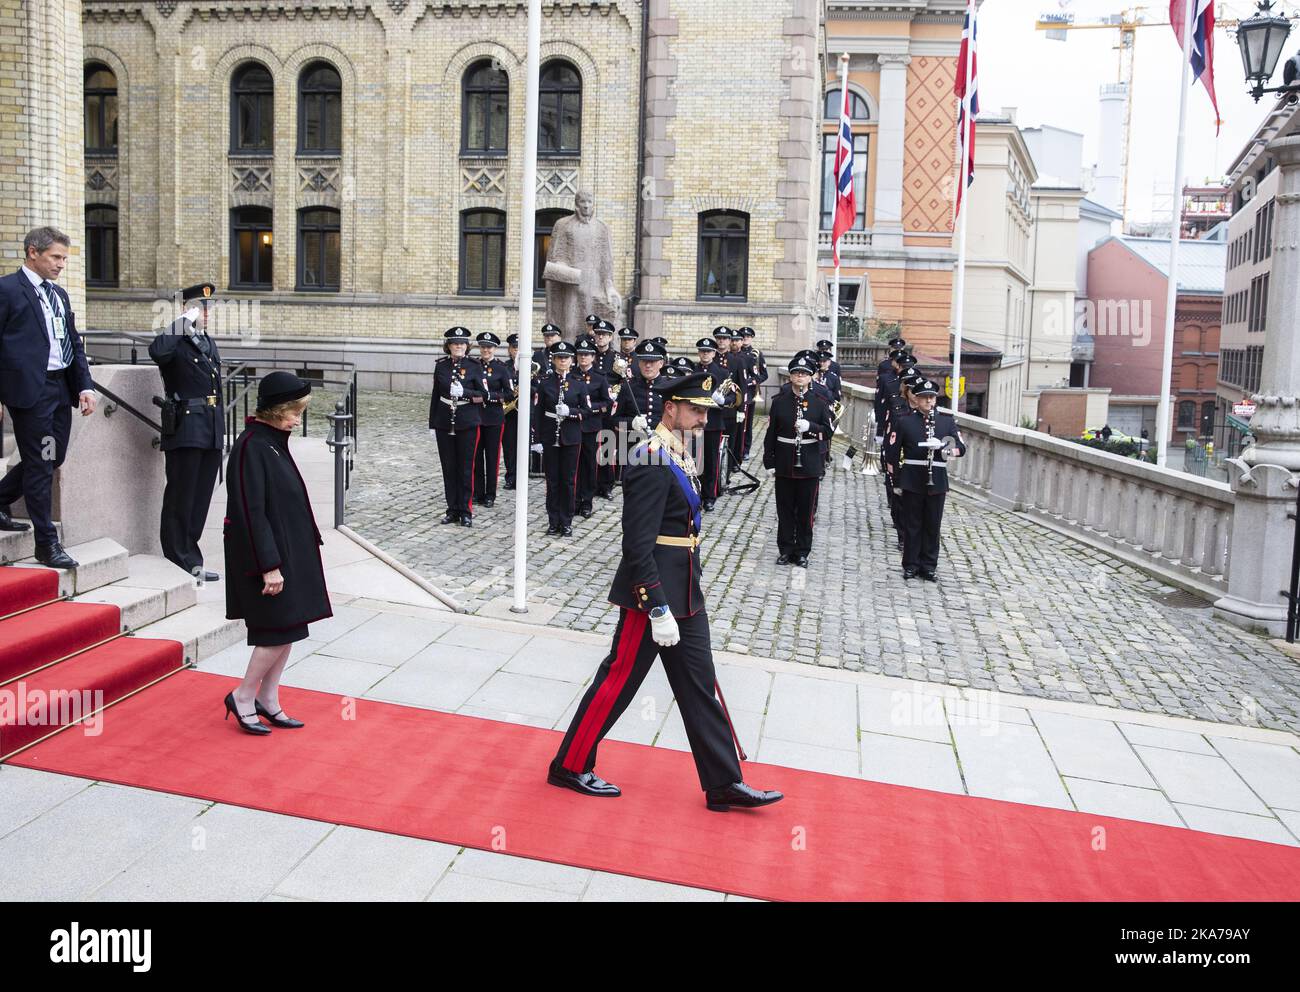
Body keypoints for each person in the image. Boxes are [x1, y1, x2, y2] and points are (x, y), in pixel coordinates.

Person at [548, 371, 783, 812]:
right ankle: (570, 763)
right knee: (618, 681)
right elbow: (636, 545)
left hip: (686, 589)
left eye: (705, 410)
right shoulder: (650, 458)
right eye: (695, 409)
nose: (702, 418)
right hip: (652, 595)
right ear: (670, 407)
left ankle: (723, 782)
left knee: (699, 685)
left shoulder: (678, 452)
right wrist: (655, 605)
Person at [222, 372, 331, 734]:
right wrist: (269, 566)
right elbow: (249, 512)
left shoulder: (270, 440)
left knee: (289, 629)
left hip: (288, 553)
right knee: (274, 632)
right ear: (275, 410)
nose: (298, 419)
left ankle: (268, 698)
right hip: (266, 560)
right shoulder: (251, 445)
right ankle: (242, 696)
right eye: (294, 411)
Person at [0, 228, 96, 568]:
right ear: (32, 253)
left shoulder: (59, 295)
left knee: (51, 458)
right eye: (56, 257)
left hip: (60, 389)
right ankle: (46, 543)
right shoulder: (7, 290)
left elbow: (72, 342)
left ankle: (1, 499)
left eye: (64, 259)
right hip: (30, 391)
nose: (61, 265)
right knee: (41, 461)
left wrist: (85, 386)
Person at [149, 282, 223, 581]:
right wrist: (181, 322)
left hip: (211, 425)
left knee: (201, 496)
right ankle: (177, 557)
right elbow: (157, 352)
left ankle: (191, 556)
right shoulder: (175, 339)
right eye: (199, 307)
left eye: (208, 307)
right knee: (182, 494)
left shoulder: (207, 341)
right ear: (185, 309)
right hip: (186, 425)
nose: (206, 312)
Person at [884, 377, 966, 581]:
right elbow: (892, 452)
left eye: (932, 398)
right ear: (916, 399)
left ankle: (929, 565)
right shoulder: (904, 421)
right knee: (912, 524)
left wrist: (943, 448)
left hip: (937, 478)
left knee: (932, 524)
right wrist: (896, 481)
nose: (929, 401)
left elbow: (961, 448)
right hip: (912, 478)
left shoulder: (947, 422)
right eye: (924, 398)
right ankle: (910, 564)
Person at [764, 355, 832, 567]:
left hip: (809, 464)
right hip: (785, 462)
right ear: (791, 376)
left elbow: (828, 431)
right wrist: (770, 461)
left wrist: (810, 428)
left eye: (804, 374)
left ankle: (802, 551)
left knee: (805, 511)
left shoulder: (820, 403)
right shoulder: (779, 402)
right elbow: (771, 434)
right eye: (796, 373)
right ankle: (786, 549)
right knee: (784, 510)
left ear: (810, 377)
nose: (800, 377)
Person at [428, 326, 487, 527]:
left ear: (467, 346)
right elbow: (436, 395)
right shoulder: (441, 366)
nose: (458, 346)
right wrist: (432, 423)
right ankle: (452, 508)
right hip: (444, 422)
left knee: (465, 468)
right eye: (455, 343)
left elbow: (483, 395)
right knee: (449, 467)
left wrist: (465, 392)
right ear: (449, 346)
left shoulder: (475, 366)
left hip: (467, 421)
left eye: (462, 343)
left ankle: (466, 510)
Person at [533, 340, 590, 536]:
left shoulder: (579, 385)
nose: (562, 361)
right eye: (559, 358)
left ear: (572, 361)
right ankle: (553, 520)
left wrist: (570, 411)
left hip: (571, 437)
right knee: (552, 481)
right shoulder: (545, 384)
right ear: (554, 360)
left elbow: (587, 411)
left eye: (566, 358)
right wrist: (537, 440)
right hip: (550, 437)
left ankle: (566, 521)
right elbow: (538, 413)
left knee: (568, 481)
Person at [474, 331, 514, 508]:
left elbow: (510, 394)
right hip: (475, 417)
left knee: (492, 457)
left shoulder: (501, 368)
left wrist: (490, 396)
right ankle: (478, 492)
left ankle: (490, 494)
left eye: (489, 347)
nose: (486, 350)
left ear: (495, 349)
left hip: (493, 418)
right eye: (483, 347)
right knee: (476, 458)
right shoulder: (473, 365)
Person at [573, 335, 611, 518]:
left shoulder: (600, 378)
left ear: (593, 357)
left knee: (588, 466)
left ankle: (586, 502)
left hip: (591, 427)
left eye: (587, 354)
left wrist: (589, 408)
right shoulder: (571, 375)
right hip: (572, 426)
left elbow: (607, 402)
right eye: (580, 354)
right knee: (573, 465)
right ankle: (573, 501)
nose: (583, 358)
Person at [737, 327, 768, 458]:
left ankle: (745, 449)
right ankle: (736, 447)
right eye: (743, 336)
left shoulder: (756, 354)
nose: (745, 338)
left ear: (751, 338)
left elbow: (764, 375)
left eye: (748, 336)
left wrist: (750, 381)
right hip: (736, 393)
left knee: (747, 423)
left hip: (749, 393)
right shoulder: (735, 353)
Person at [502, 333, 521, 491]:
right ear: (510, 349)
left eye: (520, 349)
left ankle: (521, 477)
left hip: (525, 412)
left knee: (523, 446)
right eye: (514, 348)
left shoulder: (531, 367)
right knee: (508, 446)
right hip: (509, 412)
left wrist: (524, 389)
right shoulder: (504, 367)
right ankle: (510, 476)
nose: (517, 351)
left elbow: (539, 387)